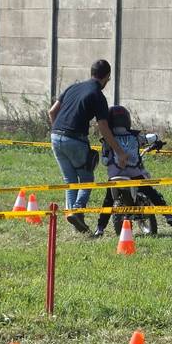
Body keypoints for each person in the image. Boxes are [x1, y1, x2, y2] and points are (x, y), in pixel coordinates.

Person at [48, 59, 128, 234]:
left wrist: (59, 132)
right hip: (75, 139)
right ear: (107, 77)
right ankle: (77, 209)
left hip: (55, 136)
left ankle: (74, 216)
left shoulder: (73, 87)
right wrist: (119, 152)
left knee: (70, 181)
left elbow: (52, 112)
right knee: (87, 180)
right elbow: (103, 127)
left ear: (91, 72)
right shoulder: (97, 95)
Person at [93, 105, 172, 237]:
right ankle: (168, 215)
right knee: (151, 192)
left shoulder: (107, 140)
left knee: (108, 201)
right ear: (127, 120)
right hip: (135, 175)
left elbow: (104, 161)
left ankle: (100, 228)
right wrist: (156, 139)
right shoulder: (136, 137)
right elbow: (152, 137)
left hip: (115, 177)